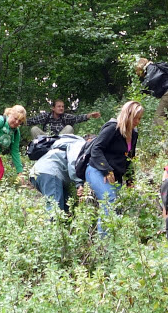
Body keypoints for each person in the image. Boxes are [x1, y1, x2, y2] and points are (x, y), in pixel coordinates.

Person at [84, 101, 144, 234]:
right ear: (127, 115)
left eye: (139, 118)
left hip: (116, 175)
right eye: (135, 118)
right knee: (109, 200)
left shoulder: (134, 134)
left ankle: (116, 242)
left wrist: (130, 180)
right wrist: (106, 169)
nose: (137, 121)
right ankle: (104, 246)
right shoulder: (112, 128)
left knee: (118, 207)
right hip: (96, 169)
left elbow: (130, 158)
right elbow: (96, 149)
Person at [29, 134, 90, 213]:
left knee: (66, 207)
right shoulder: (80, 143)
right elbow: (73, 161)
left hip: (40, 173)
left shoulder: (64, 141)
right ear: (89, 140)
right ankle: (51, 224)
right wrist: (79, 183)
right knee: (55, 209)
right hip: (50, 173)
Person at [135, 58, 168, 125]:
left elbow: (151, 80)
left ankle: (161, 135)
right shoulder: (155, 68)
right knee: (165, 117)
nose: (137, 73)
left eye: (137, 70)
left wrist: (141, 89)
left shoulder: (151, 67)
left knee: (159, 116)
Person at [26, 100, 101, 139]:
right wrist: (18, 120)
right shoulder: (46, 116)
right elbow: (32, 121)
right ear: (53, 108)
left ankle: (58, 148)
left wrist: (90, 115)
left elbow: (77, 118)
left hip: (60, 139)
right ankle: (39, 149)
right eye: (59, 106)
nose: (61, 108)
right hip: (46, 139)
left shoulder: (65, 116)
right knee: (34, 129)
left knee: (69, 128)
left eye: (62, 106)